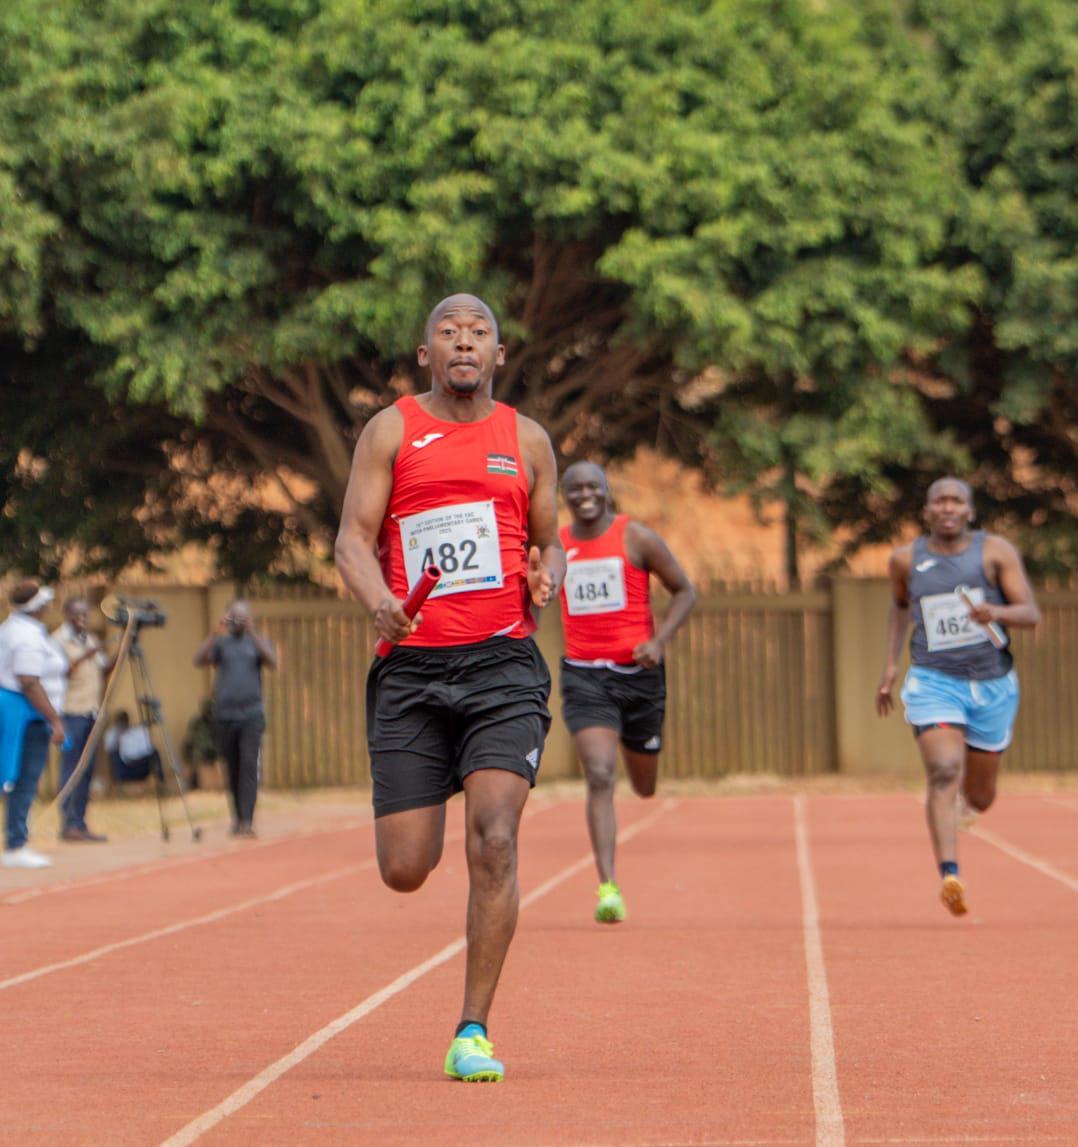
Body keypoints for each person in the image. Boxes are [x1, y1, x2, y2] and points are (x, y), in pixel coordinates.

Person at [335, 293, 564, 1083]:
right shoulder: (391, 430)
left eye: (479, 334)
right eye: (448, 332)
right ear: (426, 353)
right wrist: (379, 602)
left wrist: (547, 574)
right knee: (406, 866)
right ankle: (425, 802)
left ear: (500, 354)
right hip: (413, 668)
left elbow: (550, 540)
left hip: (502, 665)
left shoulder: (528, 440)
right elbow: (352, 541)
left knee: (494, 838)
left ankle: (473, 1027)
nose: (464, 343)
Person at [875, 477, 1041, 916]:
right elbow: (899, 607)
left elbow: (1031, 614)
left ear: (969, 511)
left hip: (991, 683)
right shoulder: (905, 559)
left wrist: (997, 612)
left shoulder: (994, 552)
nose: (948, 508)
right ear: (927, 511)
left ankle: (968, 808)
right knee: (944, 769)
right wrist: (891, 668)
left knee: (982, 795)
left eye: (956, 501)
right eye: (939, 501)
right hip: (933, 680)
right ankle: (949, 873)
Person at [557, 461, 697, 923]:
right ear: (565, 495)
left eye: (592, 486)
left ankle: (643, 750)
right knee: (599, 773)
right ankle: (608, 887)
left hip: (638, 676)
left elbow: (684, 591)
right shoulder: (557, 545)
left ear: (607, 491)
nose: (584, 494)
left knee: (644, 785)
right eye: (574, 488)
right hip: (584, 677)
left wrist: (659, 642)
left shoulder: (636, 538)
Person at [193, 601, 277, 837]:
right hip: (225, 716)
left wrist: (252, 632)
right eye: (234, 618)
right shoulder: (222, 643)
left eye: (242, 618)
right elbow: (199, 660)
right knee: (232, 768)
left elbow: (272, 662)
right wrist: (213, 633)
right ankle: (237, 819)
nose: (237, 622)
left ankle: (248, 821)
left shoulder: (257, 643)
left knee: (249, 766)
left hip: (251, 715)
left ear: (249, 619)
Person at [0, 581, 68, 869]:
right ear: (37, 607)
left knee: (15, 777)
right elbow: (28, 680)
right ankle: (16, 843)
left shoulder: (11, 629)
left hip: (20, 710)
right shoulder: (25, 636)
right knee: (23, 778)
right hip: (25, 714)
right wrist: (53, 718)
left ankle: (17, 838)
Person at [52, 597, 117, 842]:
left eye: (85, 615)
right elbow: (57, 673)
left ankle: (80, 822)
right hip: (70, 713)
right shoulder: (57, 641)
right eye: (78, 615)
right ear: (67, 614)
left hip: (91, 712)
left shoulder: (90, 639)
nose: (83, 619)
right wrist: (82, 657)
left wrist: (124, 645)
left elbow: (103, 668)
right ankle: (67, 824)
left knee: (87, 770)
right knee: (71, 769)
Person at [104, 710, 162, 783]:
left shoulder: (135, 733)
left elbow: (146, 749)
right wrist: (117, 741)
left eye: (124, 720)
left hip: (139, 765)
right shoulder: (112, 734)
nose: (123, 723)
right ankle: (119, 784)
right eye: (120, 721)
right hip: (123, 767)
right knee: (114, 756)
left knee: (154, 753)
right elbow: (109, 751)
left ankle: (159, 783)